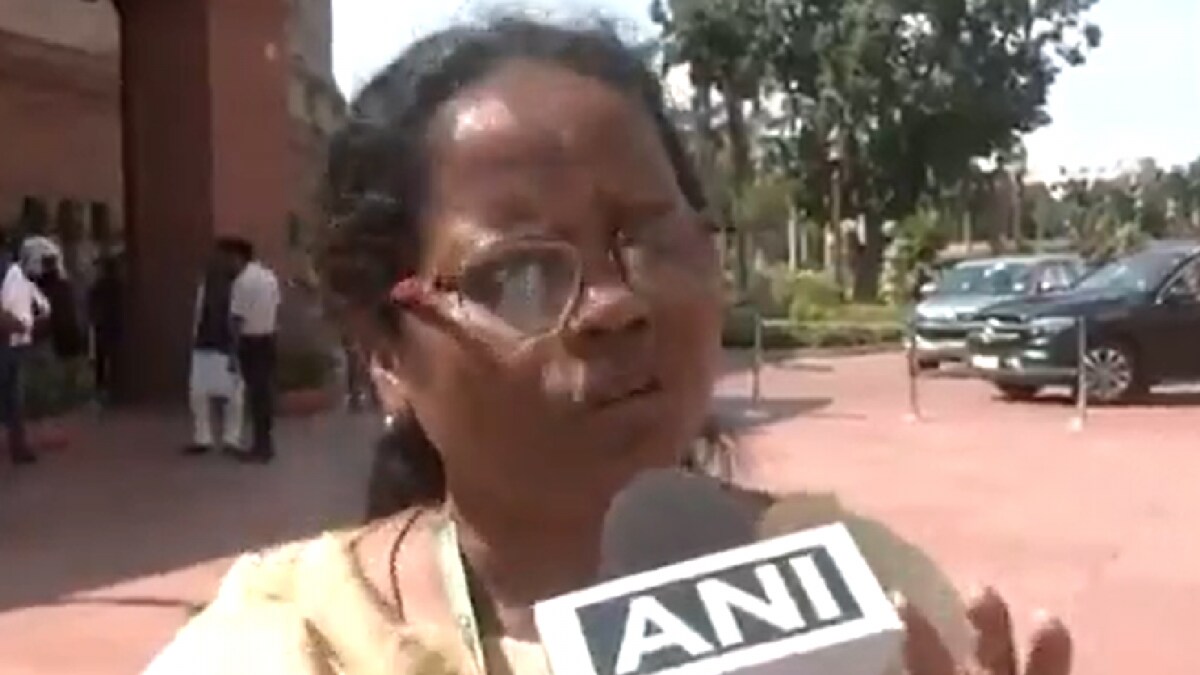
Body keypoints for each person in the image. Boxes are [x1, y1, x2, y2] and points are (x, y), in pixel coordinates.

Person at [144, 18, 1073, 675]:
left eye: (652, 239)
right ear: (384, 350)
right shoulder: (286, 645)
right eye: (517, 272)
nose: (617, 305)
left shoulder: (867, 588)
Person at [221, 237, 280, 463]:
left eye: (227, 258)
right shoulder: (269, 277)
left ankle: (260, 447)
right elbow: (276, 307)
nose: (226, 264)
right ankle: (265, 442)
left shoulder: (242, 282)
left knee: (256, 395)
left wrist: (232, 352)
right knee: (264, 393)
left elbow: (236, 320)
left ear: (237, 257)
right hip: (269, 338)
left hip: (251, 341)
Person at [185, 253, 243, 455]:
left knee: (210, 393)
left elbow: (201, 316)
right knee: (223, 394)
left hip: (213, 344)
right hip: (215, 344)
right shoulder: (221, 289)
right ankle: (219, 437)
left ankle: (216, 437)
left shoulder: (221, 290)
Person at [0, 234, 43, 466]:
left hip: (13, 340)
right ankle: (19, 446)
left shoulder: (12, 272)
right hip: (9, 338)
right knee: (12, 395)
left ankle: (19, 445)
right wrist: (16, 324)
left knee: (13, 396)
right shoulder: (9, 271)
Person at [88, 253, 123, 401]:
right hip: (114, 324)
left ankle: (101, 386)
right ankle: (114, 384)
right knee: (114, 356)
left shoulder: (99, 286)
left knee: (101, 358)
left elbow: (92, 305)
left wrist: (94, 318)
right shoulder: (119, 286)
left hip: (103, 324)